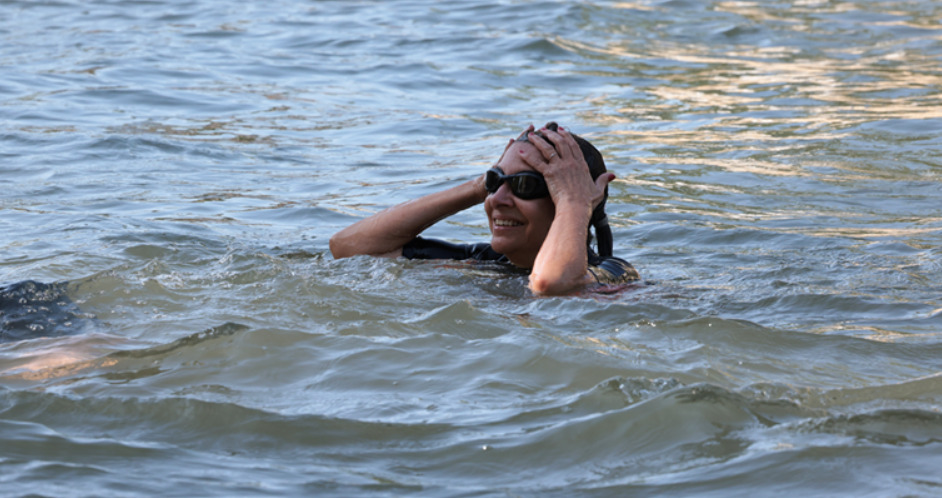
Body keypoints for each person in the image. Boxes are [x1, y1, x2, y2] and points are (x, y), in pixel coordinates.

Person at [329, 122, 640, 296]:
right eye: (496, 183)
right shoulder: (485, 263)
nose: (498, 199)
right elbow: (349, 248)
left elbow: (551, 284)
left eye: (524, 186)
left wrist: (575, 202)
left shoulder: (614, 273)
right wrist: (480, 186)